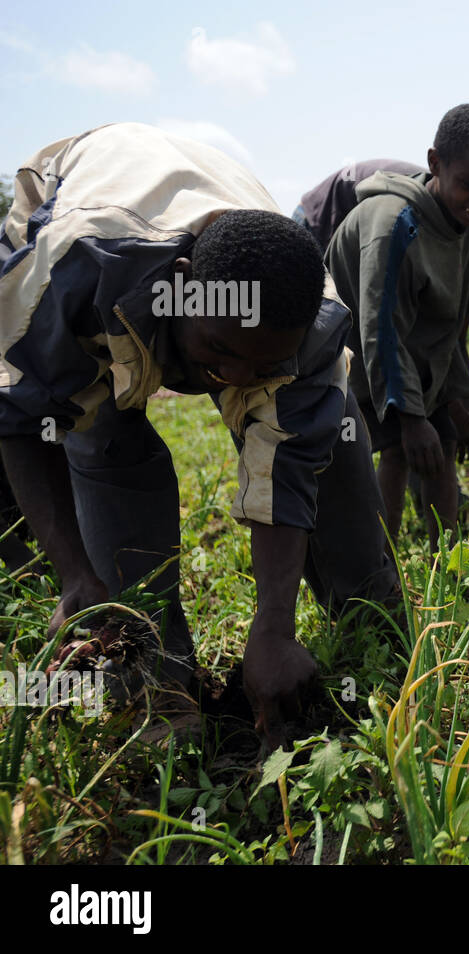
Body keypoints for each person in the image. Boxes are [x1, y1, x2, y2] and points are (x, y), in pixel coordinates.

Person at [0, 123, 397, 746]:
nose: (233, 378)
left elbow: (287, 470)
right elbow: (18, 413)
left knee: (335, 440)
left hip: (203, 218)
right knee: (109, 444)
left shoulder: (309, 317)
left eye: (262, 365)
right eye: (219, 349)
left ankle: (367, 611)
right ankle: (156, 679)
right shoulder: (73, 273)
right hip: (91, 213)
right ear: (185, 283)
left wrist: (272, 629)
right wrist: (76, 574)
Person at [299, 160, 469, 526]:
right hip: (320, 225)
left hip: (375, 267)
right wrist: (414, 416)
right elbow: (387, 327)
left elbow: (449, 339)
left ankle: (425, 519)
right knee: (368, 415)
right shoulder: (459, 232)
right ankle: (335, 514)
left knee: (428, 427)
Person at [325, 105, 469, 545]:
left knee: (444, 444)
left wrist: (461, 408)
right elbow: (379, 327)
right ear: (435, 164)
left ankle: (445, 560)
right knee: (397, 450)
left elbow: (447, 332)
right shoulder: (394, 224)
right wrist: (410, 417)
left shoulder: (465, 227)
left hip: (402, 359)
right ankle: (380, 566)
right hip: (352, 352)